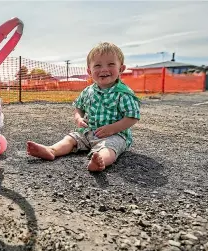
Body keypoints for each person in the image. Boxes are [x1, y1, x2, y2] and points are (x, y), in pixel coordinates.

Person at [26, 42, 141, 172]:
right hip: (88, 132)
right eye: (97, 65)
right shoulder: (88, 91)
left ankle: (100, 160)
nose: (104, 69)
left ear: (121, 69)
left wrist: (112, 129)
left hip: (115, 135)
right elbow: (78, 107)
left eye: (111, 64)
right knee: (71, 138)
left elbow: (132, 117)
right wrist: (79, 118)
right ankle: (52, 150)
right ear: (89, 71)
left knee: (109, 147)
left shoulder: (123, 93)